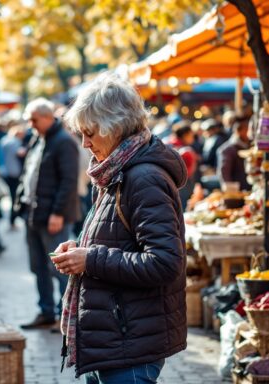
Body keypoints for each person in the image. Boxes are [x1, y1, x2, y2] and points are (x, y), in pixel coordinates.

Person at [53, 73, 187, 382]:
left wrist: (90, 259)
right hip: (115, 339)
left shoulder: (142, 179)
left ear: (115, 126)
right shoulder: (116, 170)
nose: (85, 143)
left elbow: (165, 263)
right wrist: (80, 250)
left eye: (89, 133)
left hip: (130, 343)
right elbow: (118, 237)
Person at [15, 98, 79, 329]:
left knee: (60, 267)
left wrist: (58, 213)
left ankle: (67, 316)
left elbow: (69, 181)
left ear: (48, 117)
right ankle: (46, 312)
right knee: (38, 266)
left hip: (52, 216)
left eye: (34, 120)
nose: (31, 124)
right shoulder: (38, 139)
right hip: (33, 213)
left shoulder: (64, 142)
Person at [0, 125, 25, 228]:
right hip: (13, 173)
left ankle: (12, 220)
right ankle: (13, 220)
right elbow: (21, 153)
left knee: (12, 196)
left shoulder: (4, 140)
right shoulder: (14, 142)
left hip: (5, 171)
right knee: (14, 198)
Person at [169, 120, 199, 210]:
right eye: (191, 135)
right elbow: (189, 172)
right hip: (183, 186)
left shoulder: (168, 144)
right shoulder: (186, 151)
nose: (193, 138)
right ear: (185, 135)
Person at [217, 116, 252, 191]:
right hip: (238, 191)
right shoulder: (227, 150)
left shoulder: (249, 145)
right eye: (247, 129)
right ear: (238, 131)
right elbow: (224, 173)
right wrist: (231, 192)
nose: (249, 132)